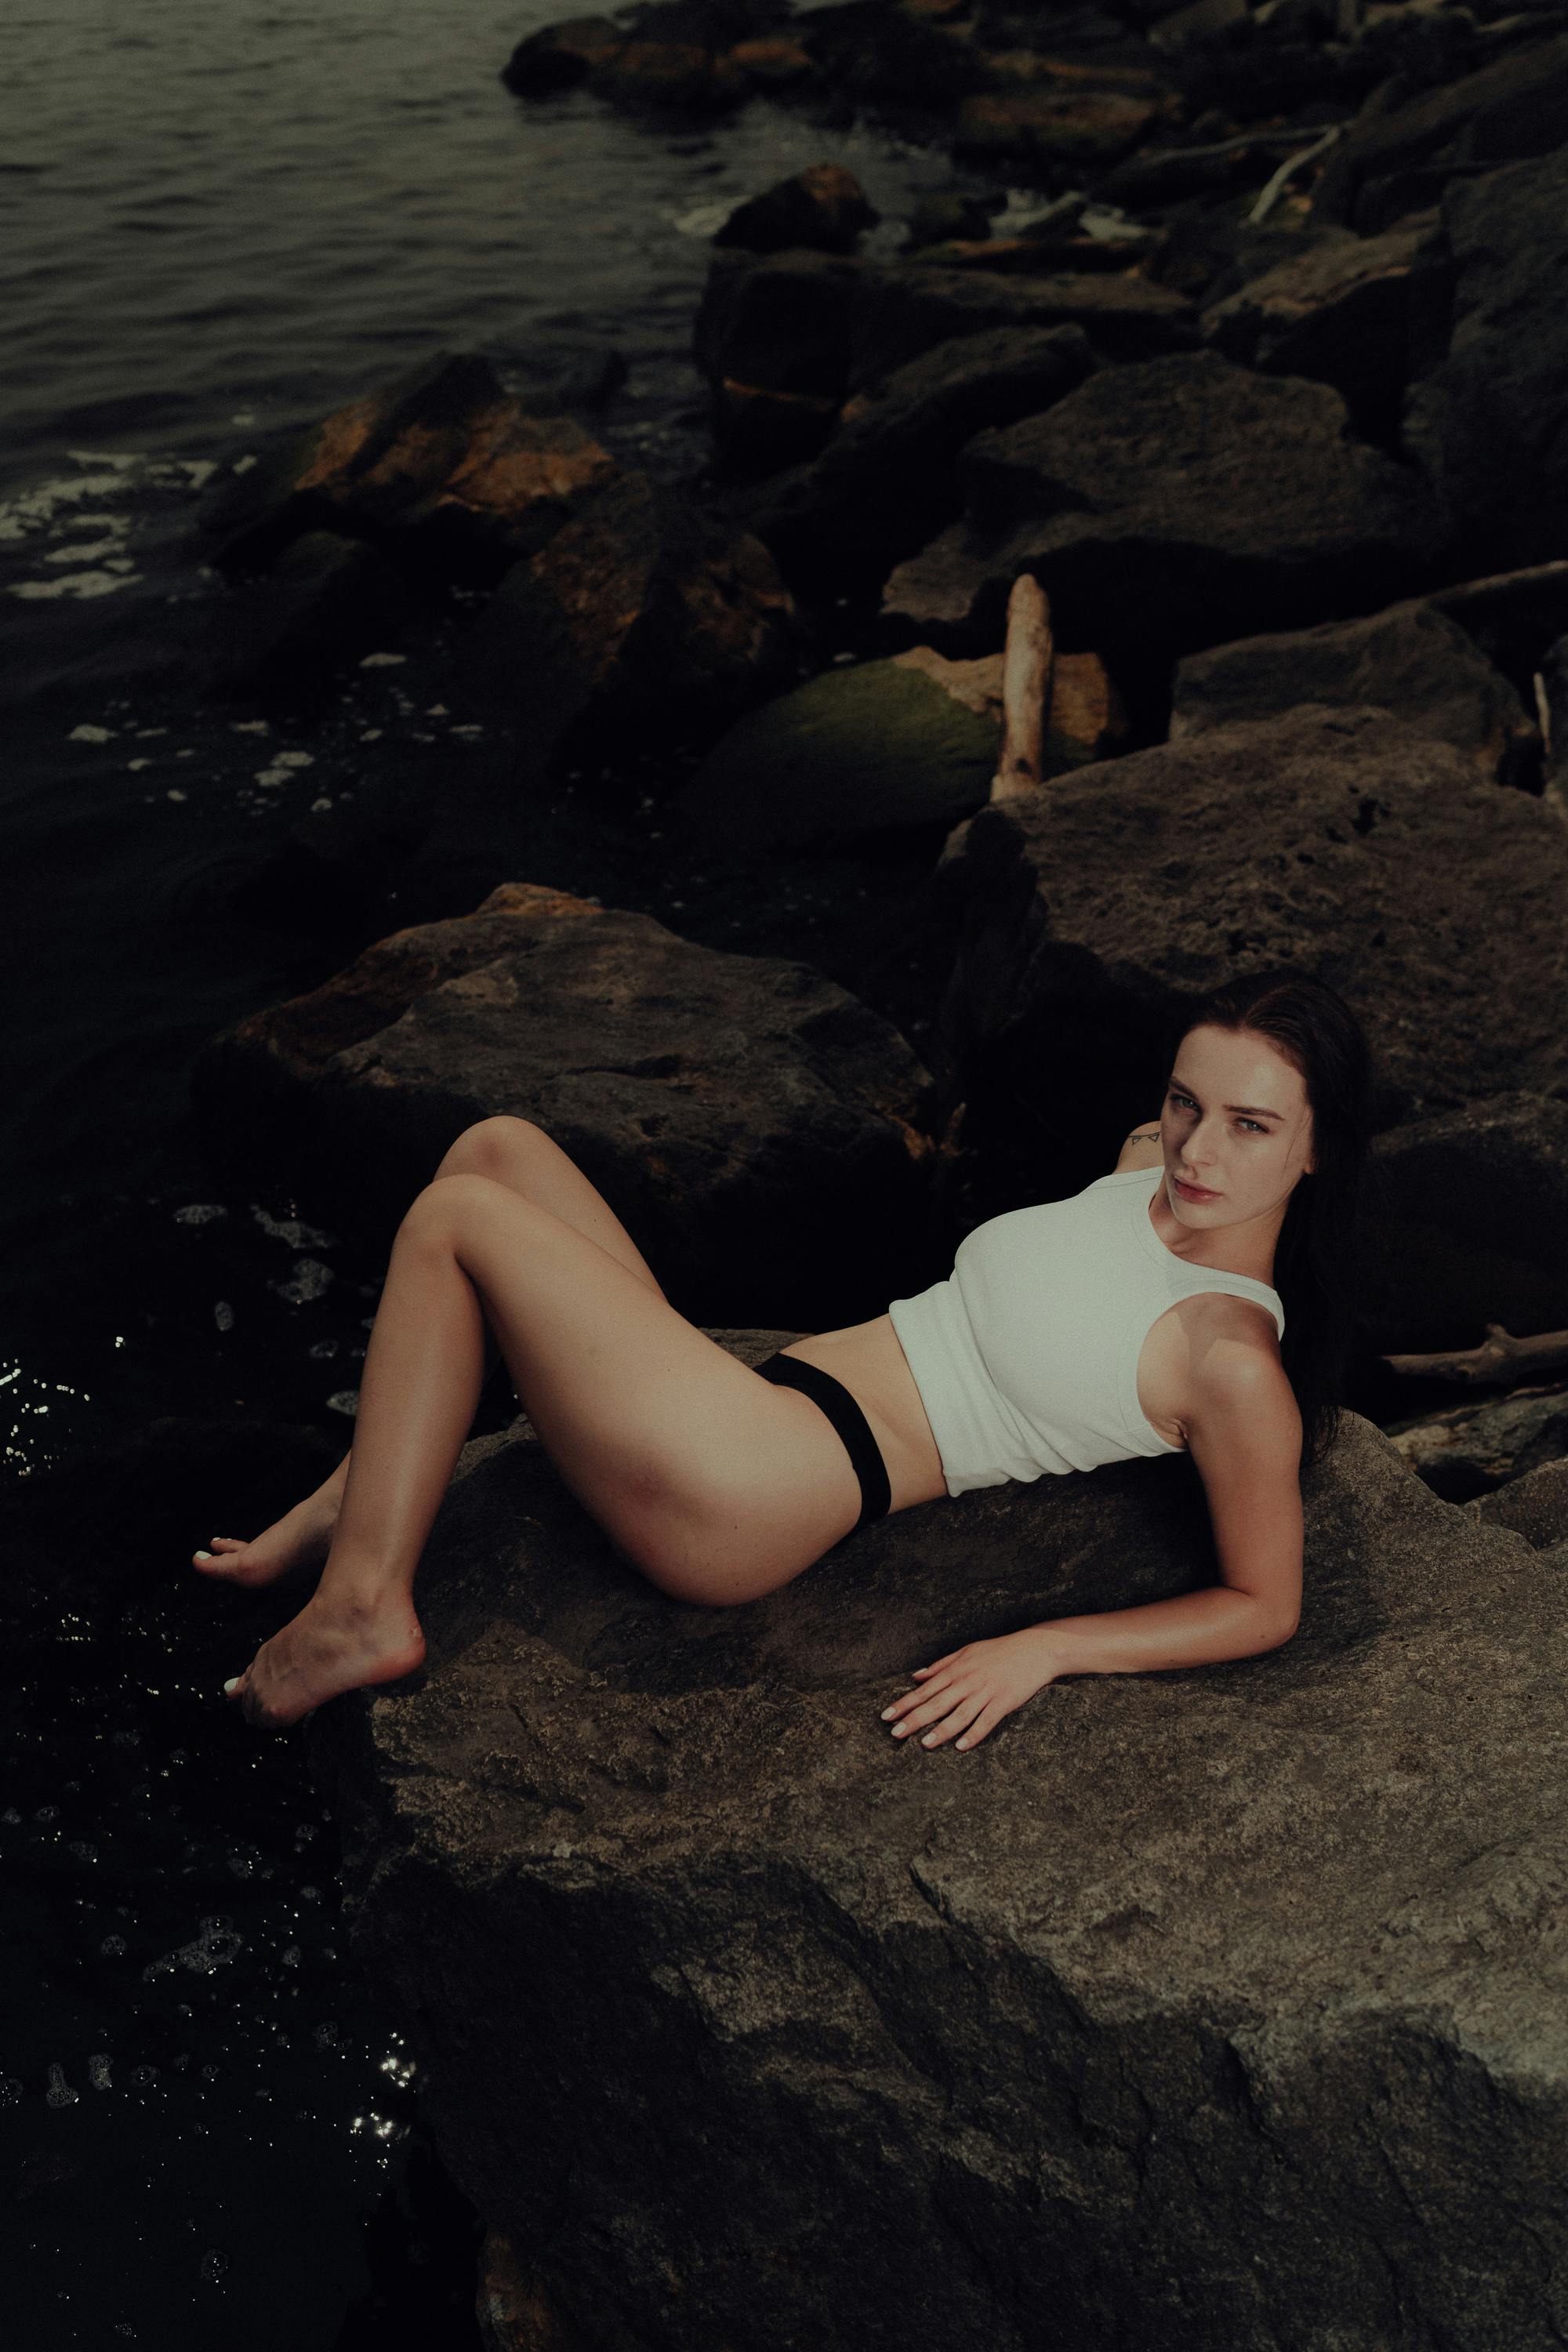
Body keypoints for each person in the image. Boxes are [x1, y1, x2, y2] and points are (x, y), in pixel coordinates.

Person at [199, 965, 1374, 1741]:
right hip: (748, 1399)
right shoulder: (1142, 1169)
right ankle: (367, 1487)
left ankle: (363, 1607)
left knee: (452, 1225)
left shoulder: (1229, 1362)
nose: (1197, 1148)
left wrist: (1048, 1650)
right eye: (1185, 1103)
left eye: (1251, 1126)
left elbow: (1263, 1604)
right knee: (495, 1149)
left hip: (757, 1490)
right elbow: (1116, 1214)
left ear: (1318, 1153)